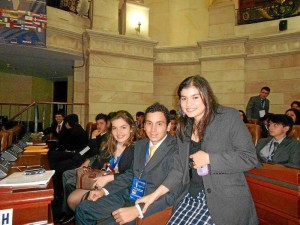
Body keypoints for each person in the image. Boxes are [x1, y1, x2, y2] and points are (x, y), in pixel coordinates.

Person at [137, 75, 259, 225]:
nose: (188, 104)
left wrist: (210, 159)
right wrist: (154, 195)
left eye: (195, 97)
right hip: (191, 196)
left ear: (206, 96)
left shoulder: (228, 117)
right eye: (183, 98)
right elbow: (179, 169)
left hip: (224, 201)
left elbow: (249, 158)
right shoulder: (184, 127)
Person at [75, 103, 181, 225]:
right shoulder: (141, 145)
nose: (153, 129)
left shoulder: (177, 150)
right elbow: (131, 174)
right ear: (143, 125)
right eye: (149, 123)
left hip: (150, 202)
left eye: (159, 124)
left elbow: (174, 191)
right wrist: (104, 190)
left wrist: (138, 210)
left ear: (168, 126)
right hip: (128, 193)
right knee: (83, 209)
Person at [63, 110, 136, 224]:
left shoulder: (136, 148)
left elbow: (130, 174)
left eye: (123, 127)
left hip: (115, 183)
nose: (118, 132)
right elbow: (93, 156)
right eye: (114, 128)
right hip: (94, 172)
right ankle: (75, 215)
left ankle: (85, 215)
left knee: (77, 198)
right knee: (69, 190)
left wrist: (107, 176)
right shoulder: (109, 142)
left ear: (131, 128)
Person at [55, 113, 109, 224]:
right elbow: (87, 149)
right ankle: (67, 210)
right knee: (65, 172)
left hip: (93, 165)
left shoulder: (107, 137)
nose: (98, 126)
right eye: (97, 123)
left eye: (101, 123)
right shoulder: (98, 135)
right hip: (84, 159)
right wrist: (79, 155)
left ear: (107, 124)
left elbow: (96, 154)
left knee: (68, 178)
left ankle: (72, 210)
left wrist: (93, 139)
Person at [48, 114, 89, 201]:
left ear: (67, 123)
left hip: (76, 155)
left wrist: (73, 152)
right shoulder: (80, 129)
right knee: (53, 156)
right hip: (78, 154)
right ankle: (57, 192)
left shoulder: (72, 131)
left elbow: (64, 144)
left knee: (54, 163)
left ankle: (57, 193)